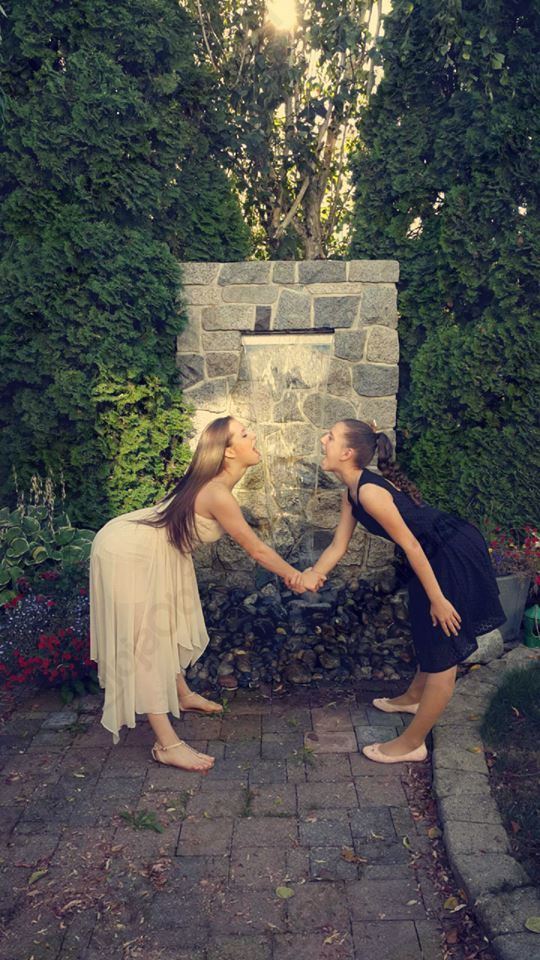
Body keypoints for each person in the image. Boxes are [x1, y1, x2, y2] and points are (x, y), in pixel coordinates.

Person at [90, 416, 324, 773]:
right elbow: (256, 549)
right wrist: (295, 576)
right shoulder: (217, 493)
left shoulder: (209, 485)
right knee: (146, 642)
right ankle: (167, 745)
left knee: (166, 624)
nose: (253, 435)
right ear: (228, 452)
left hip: (149, 549)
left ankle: (182, 695)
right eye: (244, 433)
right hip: (128, 551)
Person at [293, 419, 506, 764]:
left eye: (330, 437)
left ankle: (412, 743)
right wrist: (315, 573)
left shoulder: (369, 493)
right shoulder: (352, 492)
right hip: (432, 555)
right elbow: (338, 545)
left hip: (450, 553)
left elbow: (411, 546)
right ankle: (413, 698)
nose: (322, 440)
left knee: (444, 650)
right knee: (427, 631)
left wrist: (438, 599)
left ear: (347, 453)